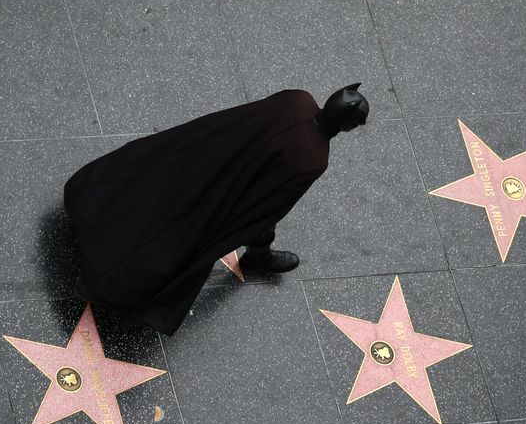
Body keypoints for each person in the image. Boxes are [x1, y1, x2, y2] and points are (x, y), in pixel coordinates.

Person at [64, 84, 369, 335]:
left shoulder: (298, 99)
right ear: (346, 124)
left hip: (209, 154)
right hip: (230, 188)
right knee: (179, 235)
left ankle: (95, 211)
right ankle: (257, 255)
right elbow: (270, 205)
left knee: (150, 187)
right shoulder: (314, 158)